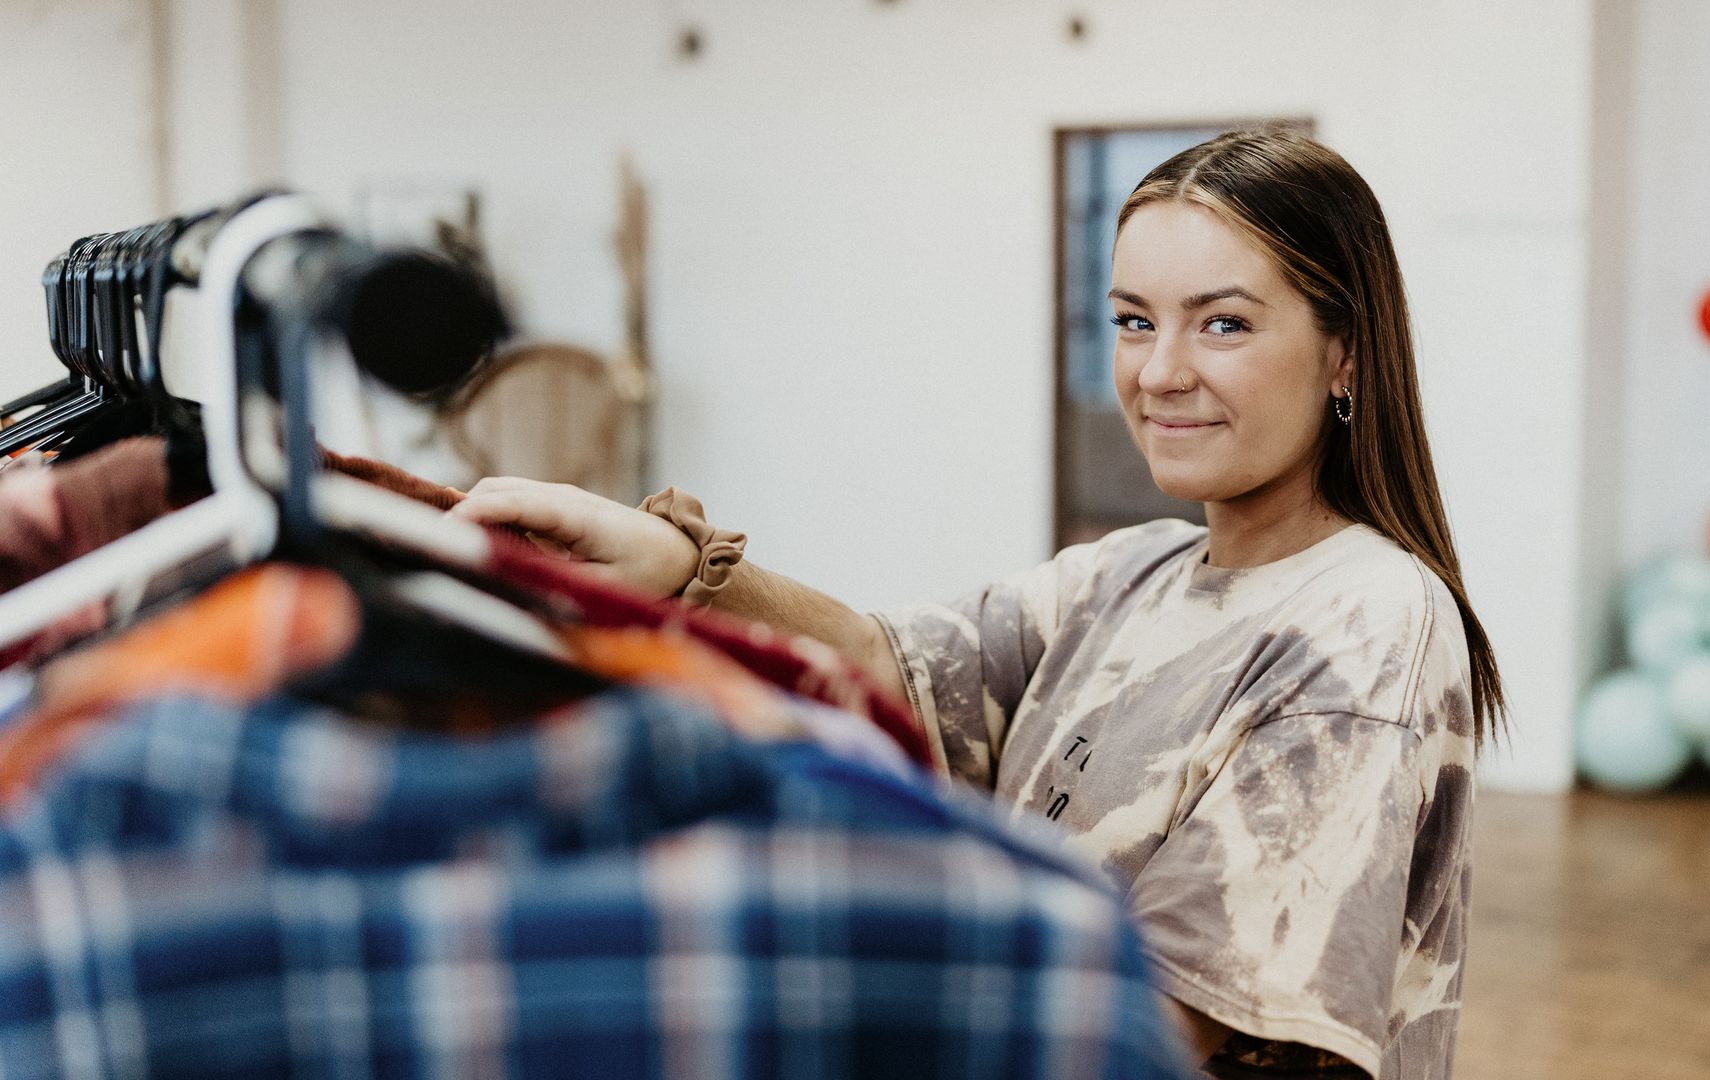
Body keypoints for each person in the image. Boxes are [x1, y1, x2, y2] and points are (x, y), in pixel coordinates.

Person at [453, 128, 1504, 1080]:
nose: (1159, 371)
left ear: (1345, 351)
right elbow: (892, 668)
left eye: (1223, 324)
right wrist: (674, 566)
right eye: (1133, 321)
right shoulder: (1133, 572)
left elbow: (1195, 1027)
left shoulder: (1365, 622)